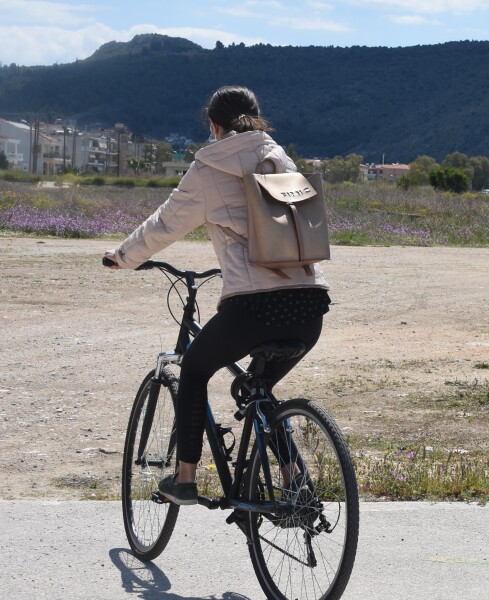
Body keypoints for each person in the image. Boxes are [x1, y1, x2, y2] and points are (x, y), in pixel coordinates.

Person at [104, 85, 330, 505]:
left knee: (193, 369)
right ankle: (295, 483)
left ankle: (185, 480)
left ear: (213, 124)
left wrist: (123, 257)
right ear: (258, 119)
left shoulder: (210, 167)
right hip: (311, 303)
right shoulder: (280, 159)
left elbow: (164, 225)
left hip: (254, 306)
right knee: (257, 391)